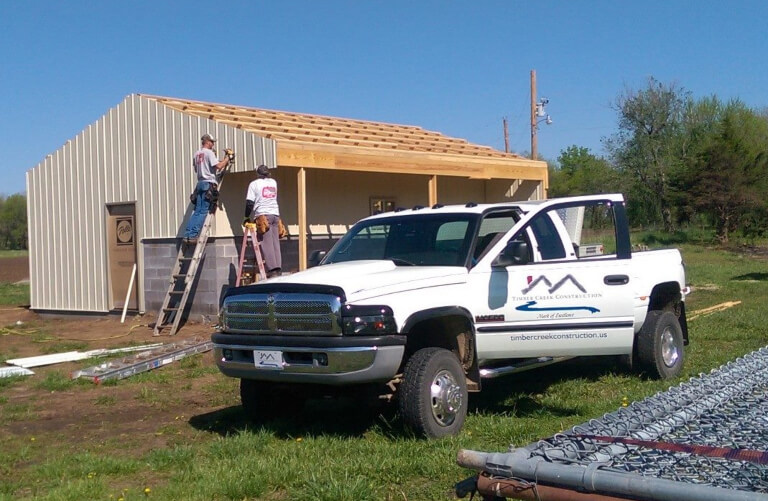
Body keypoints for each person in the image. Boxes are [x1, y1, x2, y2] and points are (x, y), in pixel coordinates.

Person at [184, 134, 230, 245]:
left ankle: (188, 235)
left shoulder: (197, 154)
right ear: (207, 142)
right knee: (203, 211)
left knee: (197, 211)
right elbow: (218, 166)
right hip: (208, 184)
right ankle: (194, 235)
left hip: (200, 183)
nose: (213, 144)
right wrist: (227, 159)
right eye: (212, 142)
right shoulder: (209, 153)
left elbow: (197, 169)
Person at [245, 164, 282, 277]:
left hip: (263, 215)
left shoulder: (254, 184)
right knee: (275, 242)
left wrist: (246, 217)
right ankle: (278, 267)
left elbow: (250, 202)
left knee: (266, 243)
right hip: (275, 215)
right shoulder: (273, 182)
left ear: (258, 173)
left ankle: (272, 270)